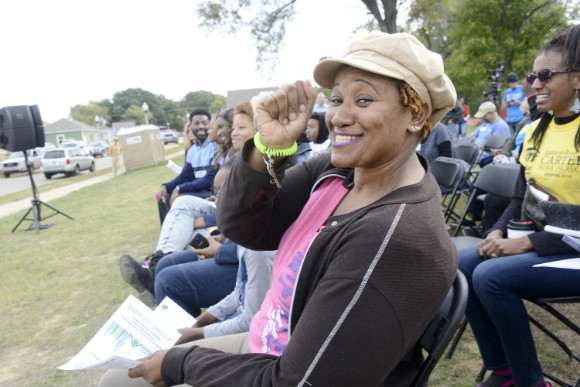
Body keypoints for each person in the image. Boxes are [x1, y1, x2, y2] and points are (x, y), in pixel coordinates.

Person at [101, 31, 458, 387]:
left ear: (416, 113)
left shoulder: (394, 237)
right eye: (336, 98)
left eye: (363, 99)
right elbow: (246, 228)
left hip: (280, 370)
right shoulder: (337, 172)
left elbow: (294, 382)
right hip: (266, 342)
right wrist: (268, 149)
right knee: (118, 375)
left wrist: (181, 364)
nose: (338, 117)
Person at [458, 24, 580, 387]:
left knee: (492, 277)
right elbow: (520, 198)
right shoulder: (537, 129)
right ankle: (504, 371)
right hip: (553, 244)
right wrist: (496, 229)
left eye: (545, 75)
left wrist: (527, 243)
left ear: (576, 79)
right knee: (464, 263)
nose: (534, 84)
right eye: (532, 75)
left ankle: (529, 382)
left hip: (571, 249)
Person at [171, 248, 275, 342]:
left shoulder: (258, 253)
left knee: (178, 351)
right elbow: (239, 294)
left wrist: (198, 333)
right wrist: (199, 321)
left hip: (260, 335)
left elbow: (252, 322)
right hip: (244, 319)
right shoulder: (246, 244)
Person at [156, 108, 218, 222]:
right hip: (197, 191)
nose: (200, 126)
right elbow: (185, 176)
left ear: (210, 125)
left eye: (204, 123)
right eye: (196, 123)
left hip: (210, 192)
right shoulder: (192, 151)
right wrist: (166, 186)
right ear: (190, 127)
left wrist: (180, 188)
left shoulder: (215, 145)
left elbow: (210, 179)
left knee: (179, 198)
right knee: (164, 197)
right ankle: (168, 231)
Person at [469, 101, 511, 167]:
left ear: (491, 113)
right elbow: (471, 136)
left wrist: (476, 147)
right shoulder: (485, 124)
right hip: (477, 151)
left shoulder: (500, 126)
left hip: (487, 154)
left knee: (462, 157)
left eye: (484, 116)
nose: (482, 118)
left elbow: (496, 147)